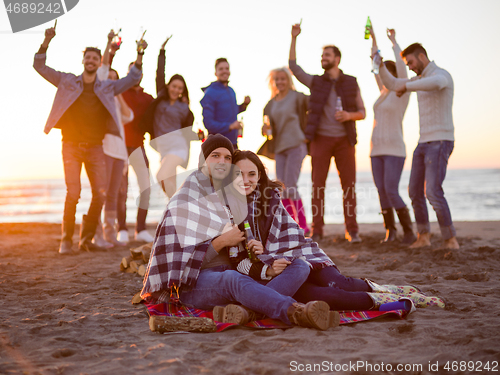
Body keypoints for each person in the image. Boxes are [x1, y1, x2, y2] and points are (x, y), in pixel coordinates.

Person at [140, 134, 335, 331]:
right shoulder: (186, 199)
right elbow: (183, 267)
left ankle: (248, 312)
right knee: (233, 279)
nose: (222, 162)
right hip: (197, 284)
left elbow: (241, 254)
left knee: (300, 266)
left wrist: (262, 255)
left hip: (237, 274)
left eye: (227, 158)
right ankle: (295, 312)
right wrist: (222, 241)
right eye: (215, 156)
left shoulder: (229, 196)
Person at [228, 150, 445, 312]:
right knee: (325, 297)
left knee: (339, 283)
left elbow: (290, 236)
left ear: (259, 176)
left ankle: (394, 290)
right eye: (239, 174)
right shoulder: (229, 211)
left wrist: (268, 250)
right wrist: (263, 264)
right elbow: (237, 261)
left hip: (303, 255)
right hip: (278, 272)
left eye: (251, 174)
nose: (246, 180)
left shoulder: (271, 199)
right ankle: (387, 302)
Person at [34, 26, 146, 254]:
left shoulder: (107, 87)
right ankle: (66, 240)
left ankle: (85, 239)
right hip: (71, 146)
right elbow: (39, 66)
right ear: (83, 60)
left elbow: (133, 77)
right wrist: (46, 41)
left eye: (96, 58)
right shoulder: (66, 81)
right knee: (73, 192)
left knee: (101, 193)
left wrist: (139, 54)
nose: (92, 60)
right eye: (88, 57)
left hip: (96, 147)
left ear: (99, 62)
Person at [289, 23, 366, 243]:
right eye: (322, 55)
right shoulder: (316, 81)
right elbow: (293, 67)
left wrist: (348, 116)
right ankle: (318, 230)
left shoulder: (351, 82)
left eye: (327, 55)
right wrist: (294, 37)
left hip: (345, 141)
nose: (323, 58)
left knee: (349, 187)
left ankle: (352, 231)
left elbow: (362, 112)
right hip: (320, 140)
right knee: (317, 186)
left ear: (337, 58)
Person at [378, 43, 459, 249]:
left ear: (422, 57)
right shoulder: (418, 81)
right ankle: (423, 236)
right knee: (414, 190)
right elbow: (394, 82)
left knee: (432, 190)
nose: (411, 67)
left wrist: (407, 85)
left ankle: (450, 239)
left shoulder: (442, 75)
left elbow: (436, 83)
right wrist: (380, 65)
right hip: (423, 142)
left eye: (411, 62)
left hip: (441, 140)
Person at [368, 27, 417, 245]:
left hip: (394, 150)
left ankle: (409, 231)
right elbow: (374, 61)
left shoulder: (401, 92)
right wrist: (373, 38)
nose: (383, 77)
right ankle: (390, 231)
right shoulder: (383, 93)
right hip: (375, 150)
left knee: (391, 189)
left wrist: (393, 41)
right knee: (381, 191)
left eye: (387, 73)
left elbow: (400, 68)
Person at [140, 36, 194, 199]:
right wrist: (162, 51)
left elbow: (189, 128)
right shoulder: (161, 99)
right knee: (168, 183)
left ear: (182, 91)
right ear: (168, 86)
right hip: (163, 149)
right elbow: (159, 74)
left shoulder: (184, 108)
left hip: (178, 148)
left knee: (160, 175)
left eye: (180, 88)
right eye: (174, 86)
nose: (176, 89)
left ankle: (178, 206)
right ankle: (177, 213)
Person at [94, 30, 134, 247]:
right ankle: (97, 233)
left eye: (114, 80)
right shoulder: (100, 97)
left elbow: (130, 116)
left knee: (113, 193)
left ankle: (110, 234)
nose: (110, 82)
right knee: (101, 191)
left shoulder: (116, 101)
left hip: (120, 151)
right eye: (108, 79)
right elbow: (102, 70)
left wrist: (118, 94)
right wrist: (110, 45)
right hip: (104, 148)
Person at [261, 67, 310, 235]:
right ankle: (290, 223)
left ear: (289, 80)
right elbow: (268, 127)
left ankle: (303, 225)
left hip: (297, 144)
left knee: (291, 185)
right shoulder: (270, 104)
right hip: (279, 147)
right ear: (273, 82)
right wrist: (264, 129)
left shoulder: (298, 97)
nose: (280, 82)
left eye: (283, 79)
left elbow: (314, 106)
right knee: (281, 187)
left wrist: (308, 134)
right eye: (277, 79)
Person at [117, 59, 155, 244]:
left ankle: (140, 229)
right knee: (121, 190)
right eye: (132, 71)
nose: (136, 75)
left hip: (139, 147)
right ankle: (121, 229)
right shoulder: (120, 92)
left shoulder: (148, 98)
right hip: (121, 147)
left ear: (142, 75)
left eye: (139, 72)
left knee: (146, 188)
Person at [200, 58, 251, 148]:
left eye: (227, 68)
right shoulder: (210, 93)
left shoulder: (231, 91)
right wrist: (230, 126)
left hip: (233, 143)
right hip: (217, 144)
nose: (224, 71)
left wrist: (244, 105)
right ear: (215, 73)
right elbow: (208, 123)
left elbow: (230, 111)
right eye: (221, 69)